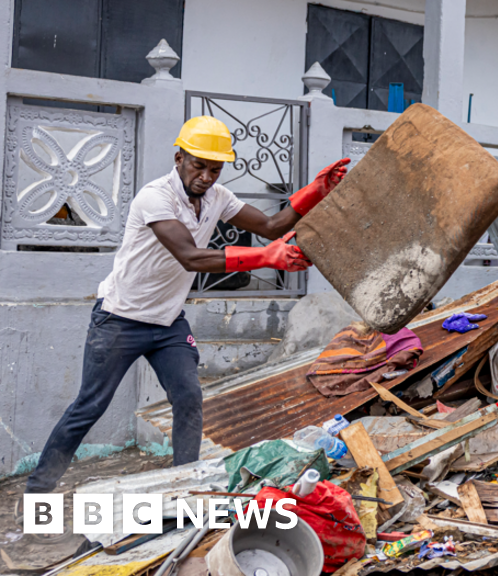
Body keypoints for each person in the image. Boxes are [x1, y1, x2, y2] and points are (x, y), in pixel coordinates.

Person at [25, 116, 350, 494]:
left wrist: (316, 190)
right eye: (199, 165)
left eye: (215, 169)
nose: (207, 177)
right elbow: (190, 257)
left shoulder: (217, 197)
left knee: (188, 398)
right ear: (179, 157)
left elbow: (272, 226)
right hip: (120, 320)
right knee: (89, 408)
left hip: (167, 324)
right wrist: (266, 258)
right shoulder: (155, 197)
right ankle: (37, 493)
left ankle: (184, 489)